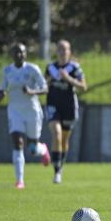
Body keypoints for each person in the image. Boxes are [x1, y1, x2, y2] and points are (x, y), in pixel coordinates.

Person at [0, 42, 50, 189]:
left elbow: (45, 88)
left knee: (32, 148)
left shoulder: (32, 69)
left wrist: (32, 92)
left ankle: (43, 149)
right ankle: (20, 181)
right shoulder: (7, 70)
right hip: (15, 111)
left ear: (26, 54)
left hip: (32, 110)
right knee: (18, 143)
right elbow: (1, 91)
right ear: (12, 55)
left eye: (22, 52)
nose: (19, 55)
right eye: (16, 52)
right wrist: (1, 95)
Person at [45, 40, 87, 184]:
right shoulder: (50, 68)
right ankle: (56, 172)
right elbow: (44, 86)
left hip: (69, 107)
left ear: (70, 51)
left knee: (64, 139)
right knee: (56, 134)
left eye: (66, 49)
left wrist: (68, 78)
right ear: (56, 51)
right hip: (53, 105)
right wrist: (47, 81)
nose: (63, 52)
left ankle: (60, 166)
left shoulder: (74, 68)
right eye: (60, 49)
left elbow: (83, 86)